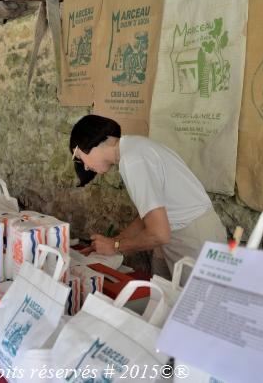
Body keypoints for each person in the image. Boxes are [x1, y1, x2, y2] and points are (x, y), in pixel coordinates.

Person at [70, 115, 226, 278]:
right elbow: (150, 215)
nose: (86, 167)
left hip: (193, 237)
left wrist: (115, 246)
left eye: (81, 159)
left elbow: (159, 233)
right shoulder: (134, 148)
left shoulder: (133, 160)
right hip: (180, 231)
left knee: (194, 302)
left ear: (90, 142)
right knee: (162, 295)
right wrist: (114, 241)